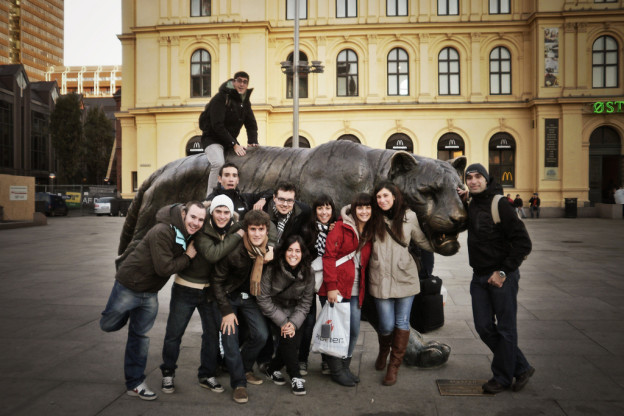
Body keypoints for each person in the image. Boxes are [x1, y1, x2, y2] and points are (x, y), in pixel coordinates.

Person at [100, 201, 205, 400]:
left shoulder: (188, 232)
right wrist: (188, 256)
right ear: (183, 213)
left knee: (140, 338)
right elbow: (164, 268)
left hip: (149, 294)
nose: (196, 222)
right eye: (193, 217)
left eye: (201, 220)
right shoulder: (162, 231)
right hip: (129, 286)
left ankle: (135, 383)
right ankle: (125, 313)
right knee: (108, 324)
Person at [457, 163, 534, 394]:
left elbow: (523, 243)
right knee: (483, 327)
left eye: (478, 176)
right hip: (478, 276)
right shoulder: (471, 203)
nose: (473, 181)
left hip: (502, 276)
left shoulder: (499, 204)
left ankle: (501, 377)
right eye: (469, 177)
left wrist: (502, 272)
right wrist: (464, 198)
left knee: (506, 329)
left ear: (486, 179)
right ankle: (521, 367)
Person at [159, 195, 243, 395]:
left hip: (210, 291)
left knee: (212, 336)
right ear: (211, 212)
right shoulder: (202, 230)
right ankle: (168, 372)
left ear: (231, 215)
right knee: (174, 334)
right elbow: (214, 254)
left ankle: (207, 374)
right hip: (186, 288)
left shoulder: (231, 228)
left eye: (226, 212)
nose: (222, 216)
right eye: (218, 211)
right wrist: (238, 235)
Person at [368, 181, 434, 386]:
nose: (382, 200)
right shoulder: (372, 216)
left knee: (402, 323)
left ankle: (393, 366)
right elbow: (347, 211)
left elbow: (423, 242)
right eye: (379, 197)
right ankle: (383, 352)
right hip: (380, 278)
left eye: (386, 196)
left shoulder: (409, 217)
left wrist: (443, 236)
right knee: (386, 324)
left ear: (395, 197)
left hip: (405, 277)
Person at [210, 210, 271, 404]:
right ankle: (239, 383)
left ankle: (243, 367)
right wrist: (226, 311)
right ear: (246, 230)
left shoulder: (266, 250)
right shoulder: (234, 250)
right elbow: (217, 282)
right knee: (230, 337)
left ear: (266, 230)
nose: (257, 234)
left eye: (261, 230)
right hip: (228, 297)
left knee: (261, 335)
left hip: (249, 298)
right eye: (252, 229)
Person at [318, 193, 374, 386]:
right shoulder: (340, 227)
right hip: (338, 288)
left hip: (356, 288)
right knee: (334, 330)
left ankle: (345, 365)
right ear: (354, 209)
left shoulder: (370, 229)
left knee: (353, 330)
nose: (364, 211)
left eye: (368, 208)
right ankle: (336, 370)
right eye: (360, 207)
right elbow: (329, 257)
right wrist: (331, 287)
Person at [257, 235, 315, 396]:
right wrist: (283, 322)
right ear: (283, 252)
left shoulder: (308, 272)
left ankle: (272, 368)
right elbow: (263, 298)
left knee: (293, 340)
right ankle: (295, 376)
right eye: (290, 250)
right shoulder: (272, 268)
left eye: (297, 251)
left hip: (296, 311)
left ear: (303, 253)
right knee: (289, 338)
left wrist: (293, 323)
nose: (293, 254)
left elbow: (306, 302)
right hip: (275, 310)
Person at [201, 71, 258, 198]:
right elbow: (217, 125)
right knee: (218, 163)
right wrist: (234, 144)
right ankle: (210, 198)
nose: (242, 84)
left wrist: (253, 141)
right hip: (213, 139)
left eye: (245, 82)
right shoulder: (221, 98)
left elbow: (251, 123)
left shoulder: (245, 102)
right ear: (233, 82)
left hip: (228, 141)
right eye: (239, 80)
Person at [299, 194, 338, 376]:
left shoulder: (337, 229)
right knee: (307, 322)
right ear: (315, 211)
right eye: (320, 208)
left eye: (327, 208)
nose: (324, 212)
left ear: (332, 210)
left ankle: (326, 359)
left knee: (326, 322)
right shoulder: (307, 229)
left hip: (327, 280)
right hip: (309, 279)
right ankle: (302, 359)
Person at [206, 162, 272, 219]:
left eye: (234, 176)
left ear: (237, 180)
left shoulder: (244, 199)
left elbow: (272, 191)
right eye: (227, 175)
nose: (231, 179)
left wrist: (263, 199)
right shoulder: (212, 200)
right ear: (219, 179)